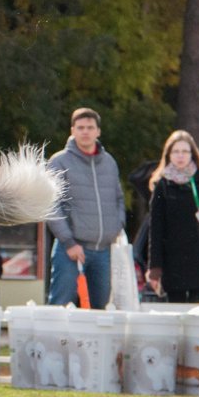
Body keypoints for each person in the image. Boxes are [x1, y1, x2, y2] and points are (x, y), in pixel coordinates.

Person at [46, 107, 126, 309]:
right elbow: (50, 205)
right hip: (71, 250)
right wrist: (69, 242)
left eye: (90, 127)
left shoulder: (109, 162)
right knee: (61, 308)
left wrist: (117, 227)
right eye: (80, 127)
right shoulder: (59, 161)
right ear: (72, 130)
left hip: (104, 252)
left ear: (98, 131)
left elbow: (119, 199)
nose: (85, 132)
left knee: (100, 310)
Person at [144, 130, 199, 304]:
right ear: (168, 155)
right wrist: (155, 266)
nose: (180, 156)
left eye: (184, 151)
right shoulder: (162, 185)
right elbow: (155, 228)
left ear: (192, 154)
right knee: (175, 309)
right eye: (176, 152)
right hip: (172, 262)